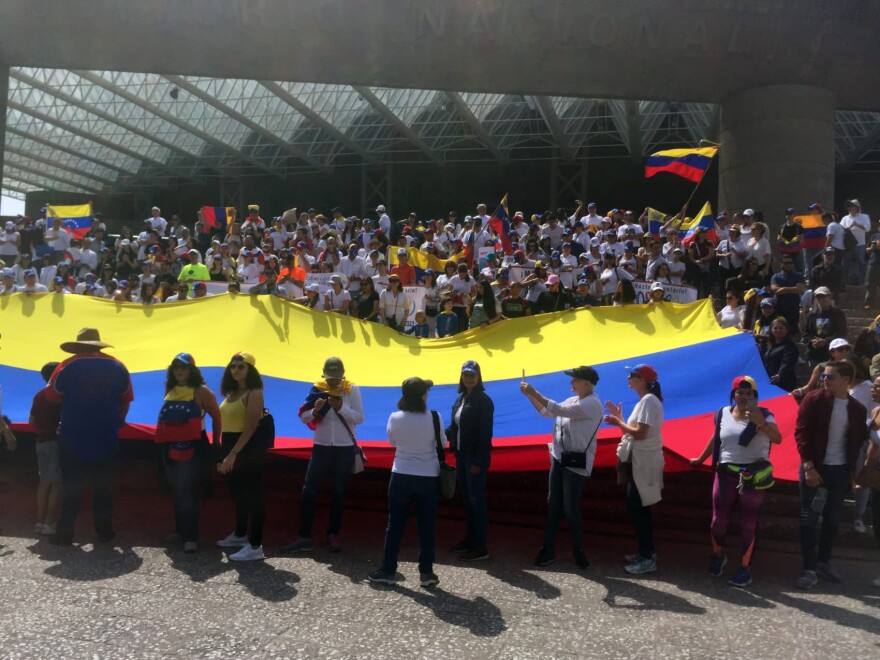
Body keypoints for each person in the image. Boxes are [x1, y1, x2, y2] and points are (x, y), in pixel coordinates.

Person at [689, 376, 782, 587]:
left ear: (755, 397)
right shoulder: (722, 413)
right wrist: (701, 458)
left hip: (753, 477)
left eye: (749, 394)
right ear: (733, 395)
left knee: (748, 524)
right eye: (740, 393)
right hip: (725, 472)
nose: (744, 397)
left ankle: (744, 567)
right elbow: (717, 437)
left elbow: (777, 439)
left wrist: (761, 423)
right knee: (717, 521)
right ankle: (717, 555)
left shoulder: (766, 415)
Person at [46, 328, 133, 545]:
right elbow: (126, 399)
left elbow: (52, 396)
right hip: (106, 435)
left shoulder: (67, 365)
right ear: (99, 345)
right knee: (103, 488)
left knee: (71, 487)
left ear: (78, 345)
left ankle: (65, 533)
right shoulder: (118, 365)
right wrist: (118, 421)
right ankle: (104, 533)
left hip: (73, 434)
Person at [794, 360, 868, 589]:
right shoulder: (813, 400)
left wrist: (853, 474)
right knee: (809, 519)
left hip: (839, 470)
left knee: (833, 519)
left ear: (846, 380)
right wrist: (808, 466)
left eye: (830, 377)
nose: (825, 380)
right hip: (814, 467)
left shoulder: (857, 409)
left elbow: (857, 444)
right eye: (823, 377)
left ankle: (823, 562)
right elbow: (801, 433)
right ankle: (808, 569)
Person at [520, 365, 602, 569]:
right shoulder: (573, 400)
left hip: (575, 465)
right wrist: (529, 396)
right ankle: (548, 550)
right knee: (553, 504)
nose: (571, 383)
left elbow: (558, 409)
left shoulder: (592, 404)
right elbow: (547, 412)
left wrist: (534, 391)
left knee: (570, 508)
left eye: (575, 380)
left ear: (587, 383)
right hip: (559, 459)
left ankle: (578, 551)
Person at [368, 377, 444, 588]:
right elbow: (443, 443)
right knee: (426, 526)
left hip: (401, 474)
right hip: (428, 477)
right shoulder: (435, 417)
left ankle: (388, 570)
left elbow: (392, 441)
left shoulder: (395, 417)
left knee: (395, 525)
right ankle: (426, 573)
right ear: (422, 395)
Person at [283, 357, 364, 554]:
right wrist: (315, 410)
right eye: (329, 378)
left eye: (336, 378)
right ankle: (304, 536)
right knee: (309, 491)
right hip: (321, 446)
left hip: (344, 448)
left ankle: (333, 535)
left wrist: (341, 407)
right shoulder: (317, 389)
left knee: (338, 492)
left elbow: (359, 417)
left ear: (343, 375)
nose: (333, 382)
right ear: (324, 375)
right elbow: (303, 418)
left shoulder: (352, 390)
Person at [155, 353, 222, 553]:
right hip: (169, 446)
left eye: (183, 367)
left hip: (193, 446)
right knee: (176, 489)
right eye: (175, 367)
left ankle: (190, 537)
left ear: (191, 370)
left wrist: (216, 441)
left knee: (187, 490)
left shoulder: (202, 391)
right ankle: (179, 532)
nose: (179, 371)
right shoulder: (171, 389)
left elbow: (217, 416)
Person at [604, 364, 664, 575]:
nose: (629, 378)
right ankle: (646, 552)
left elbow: (639, 433)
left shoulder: (648, 401)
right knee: (639, 508)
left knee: (638, 508)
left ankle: (647, 557)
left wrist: (617, 422)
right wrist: (620, 419)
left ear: (642, 380)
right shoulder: (646, 401)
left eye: (633, 376)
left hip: (643, 461)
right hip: (639, 461)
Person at [215, 352, 268, 561]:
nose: (235, 370)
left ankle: (255, 546)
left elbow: (251, 426)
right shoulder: (231, 392)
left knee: (253, 497)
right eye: (233, 366)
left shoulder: (254, 392)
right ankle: (239, 534)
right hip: (230, 447)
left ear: (250, 370)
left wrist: (233, 454)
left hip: (247, 451)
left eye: (241, 366)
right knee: (238, 494)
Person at [444, 360, 495, 561]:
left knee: (477, 501)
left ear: (478, 376)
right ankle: (471, 539)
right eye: (466, 375)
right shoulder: (460, 399)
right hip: (461, 456)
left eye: (472, 375)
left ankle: (481, 546)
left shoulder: (484, 401)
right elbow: (454, 428)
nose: (469, 378)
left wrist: (479, 462)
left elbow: (485, 434)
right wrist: (434, 430)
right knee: (467, 501)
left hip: (475, 459)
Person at [28, 362, 61, 535]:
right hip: (54, 442)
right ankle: (50, 523)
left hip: (40, 441)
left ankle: (39, 522)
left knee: (44, 483)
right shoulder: (59, 396)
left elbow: (31, 422)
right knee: (56, 483)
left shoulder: (39, 395)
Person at [862, 375, 880, 586]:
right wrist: (865, 470)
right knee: (878, 524)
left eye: (877, 387)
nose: (872, 390)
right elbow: (873, 446)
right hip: (877, 477)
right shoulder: (875, 412)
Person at [803, 286, 847, 363]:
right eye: (818, 297)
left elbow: (842, 332)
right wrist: (813, 341)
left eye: (824, 296)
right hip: (814, 353)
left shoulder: (838, 314)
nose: (821, 299)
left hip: (832, 353)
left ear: (830, 297)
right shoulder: (811, 315)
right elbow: (806, 333)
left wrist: (826, 341)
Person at [762, 317, 800, 392]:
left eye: (781, 328)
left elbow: (787, 363)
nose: (778, 330)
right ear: (771, 330)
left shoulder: (790, 346)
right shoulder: (770, 346)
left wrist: (780, 375)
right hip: (769, 382)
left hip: (784, 383)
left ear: (786, 330)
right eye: (775, 328)